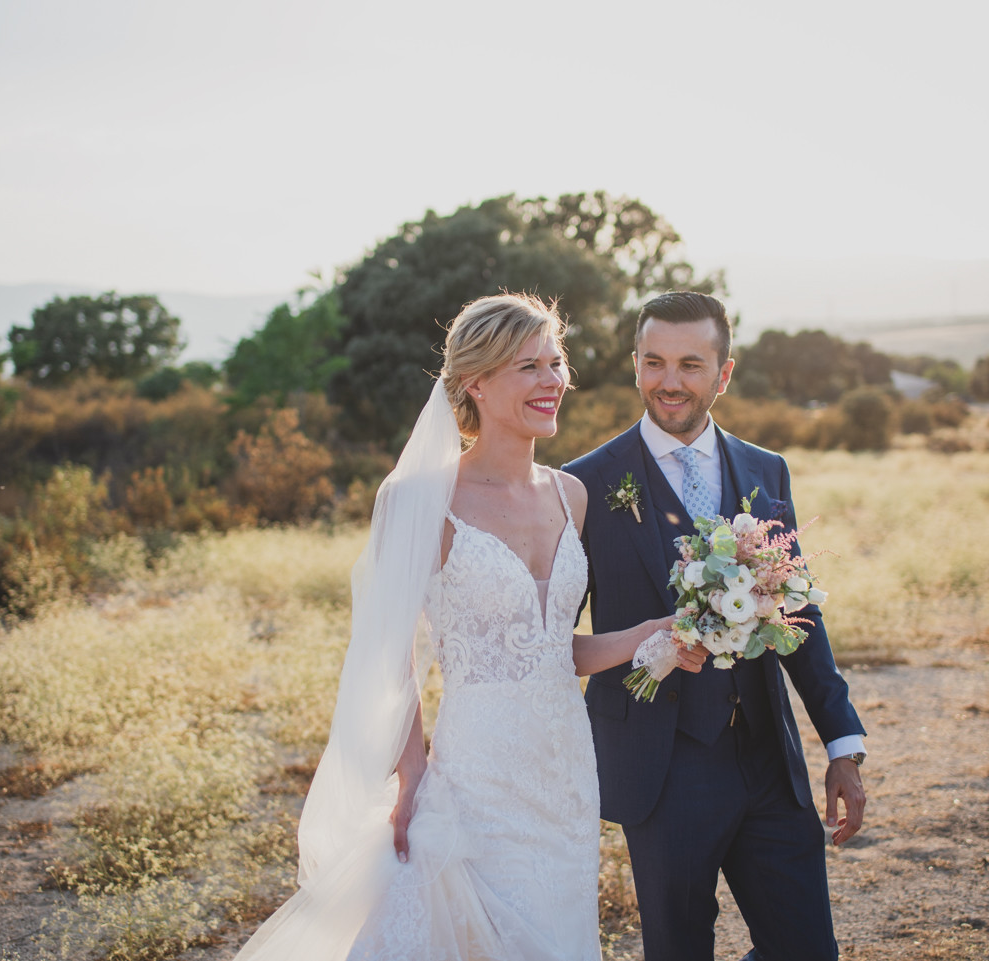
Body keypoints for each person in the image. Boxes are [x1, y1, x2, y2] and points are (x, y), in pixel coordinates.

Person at [235, 292, 707, 961]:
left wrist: (649, 632)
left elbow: (553, 651)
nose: (552, 382)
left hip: (567, 769)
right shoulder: (419, 501)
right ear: (475, 384)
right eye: (529, 367)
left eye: (555, 363)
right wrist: (413, 775)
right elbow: (388, 657)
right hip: (478, 772)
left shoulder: (570, 496)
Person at [564, 290, 868, 961]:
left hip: (768, 761)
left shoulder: (766, 469)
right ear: (635, 365)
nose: (670, 381)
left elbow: (797, 610)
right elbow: (557, 642)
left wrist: (841, 741)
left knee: (808, 951)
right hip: (659, 767)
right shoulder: (583, 484)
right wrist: (649, 643)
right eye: (654, 362)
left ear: (724, 373)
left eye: (691, 364)